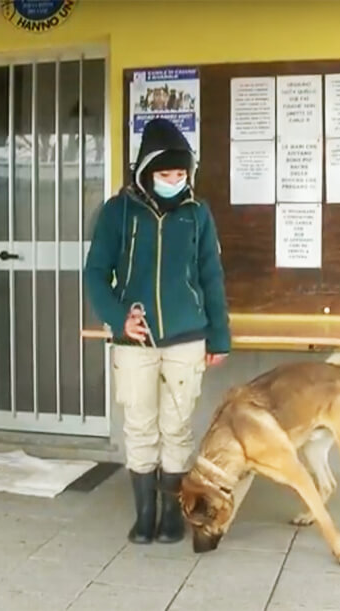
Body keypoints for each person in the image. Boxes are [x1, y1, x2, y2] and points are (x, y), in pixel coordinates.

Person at [84, 118, 230, 544]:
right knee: (140, 427)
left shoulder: (197, 213)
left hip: (187, 338)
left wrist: (218, 336)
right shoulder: (118, 212)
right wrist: (117, 317)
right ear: (146, 172)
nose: (173, 181)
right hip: (135, 340)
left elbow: (211, 276)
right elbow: (96, 273)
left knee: (177, 427)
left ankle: (171, 513)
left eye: (180, 174)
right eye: (165, 174)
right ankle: (143, 515)